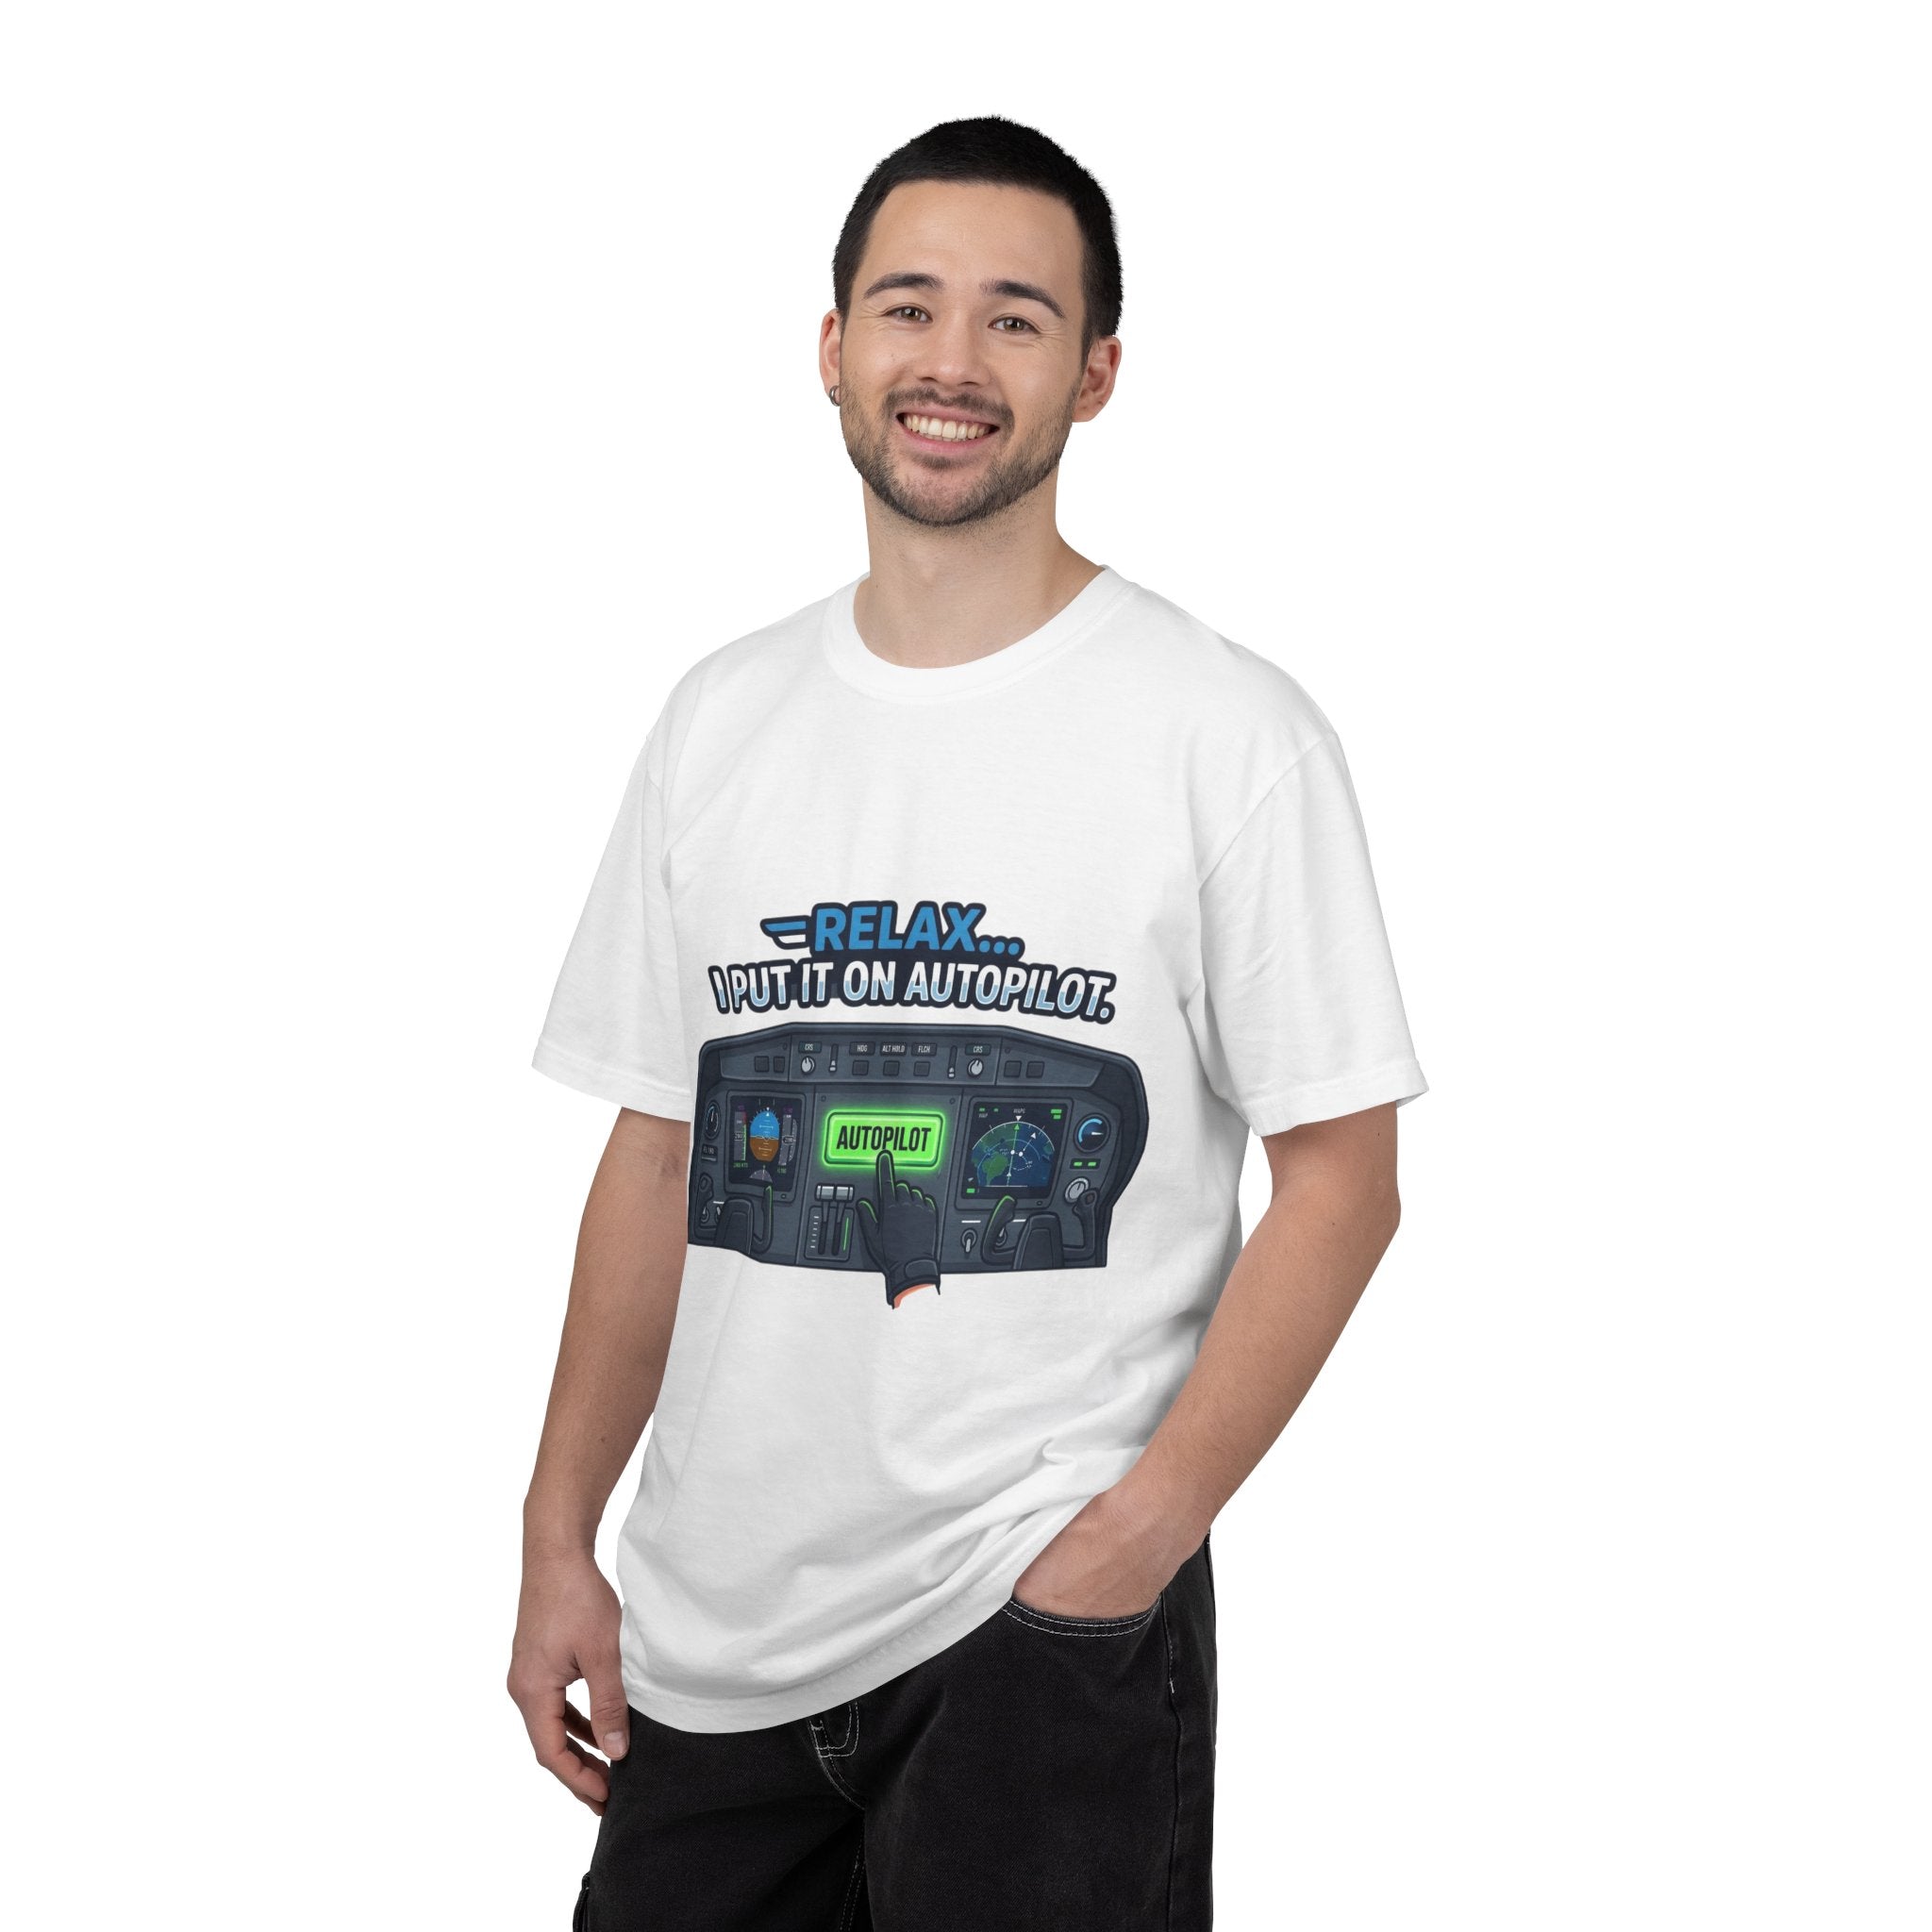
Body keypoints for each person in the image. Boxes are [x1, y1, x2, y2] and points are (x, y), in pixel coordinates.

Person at [509, 115, 1426, 1931]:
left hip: (1038, 1625)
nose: (951, 360)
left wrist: (1136, 1540)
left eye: (1017, 317)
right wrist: (558, 1534)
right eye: (908, 306)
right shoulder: (719, 721)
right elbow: (660, 1148)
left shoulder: (1225, 732)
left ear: (1097, 372)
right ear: (831, 345)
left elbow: (1344, 1177)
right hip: (713, 1628)